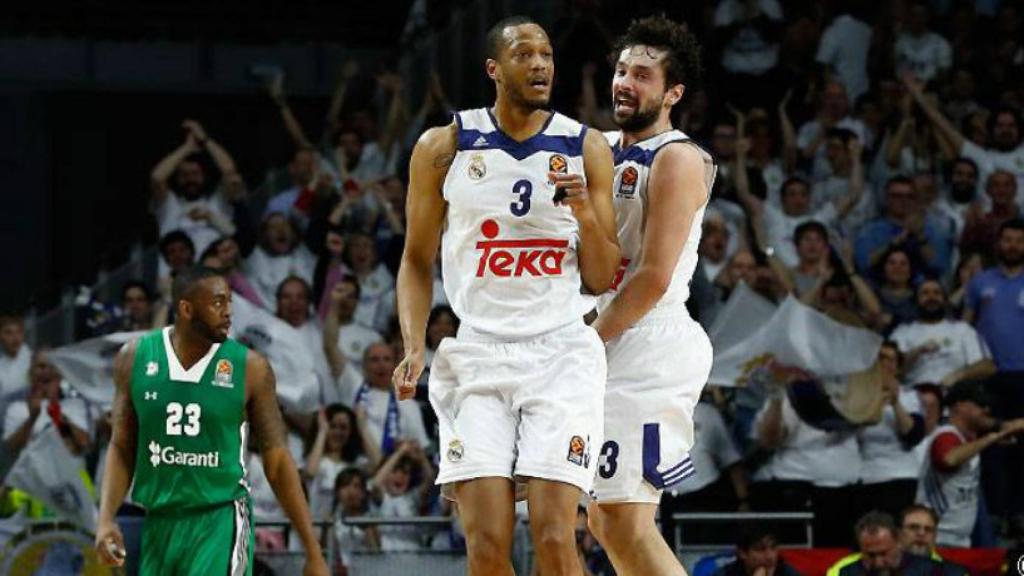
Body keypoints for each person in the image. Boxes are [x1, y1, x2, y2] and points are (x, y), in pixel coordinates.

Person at [393, 15, 619, 576]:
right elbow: (416, 259)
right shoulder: (443, 146)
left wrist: (586, 214)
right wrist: (414, 345)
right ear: (494, 69)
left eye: (546, 54)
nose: (540, 64)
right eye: (525, 54)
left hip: (561, 352)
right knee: (487, 544)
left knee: (554, 537)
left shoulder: (585, 147)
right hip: (478, 352)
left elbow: (602, 275)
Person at [583, 16, 715, 576]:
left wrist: (581, 343)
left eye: (642, 74)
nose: (624, 82)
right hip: (605, 331)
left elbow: (653, 275)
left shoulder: (680, 158)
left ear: (672, 92)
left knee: (625, 519)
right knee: (602, 518)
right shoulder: (596, 148)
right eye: (620, 70)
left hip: (650, 339)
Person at [94, 266, 328, 575]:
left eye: (229, 301)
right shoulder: (135, 357)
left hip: (221, 520)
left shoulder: (251, 368)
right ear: (186, 308)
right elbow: (122, 446)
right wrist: (106, 518)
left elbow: (278, 460)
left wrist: (312, 550)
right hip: (160, 522)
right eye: (217, 303)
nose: (228, 312)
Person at [916, 381, 1024, 547]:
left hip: (960, 538)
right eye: (980, 404)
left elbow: (1002, 425)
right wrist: (991, 438)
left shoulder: (968, 435)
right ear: (960, 405)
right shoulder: (946, 433)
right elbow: (948, 459)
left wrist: (1004, 429)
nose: (986, 410)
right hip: (937, 537)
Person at [890, 279, 995, 387]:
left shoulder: (963, 329)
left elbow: (988, 367)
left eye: (937, 293)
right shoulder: (902, 332)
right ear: (916, 300)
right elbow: (889, 371)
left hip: (955, 394)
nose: (931, 297)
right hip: (914, 396)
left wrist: (958, 375)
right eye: (925, 293)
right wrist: (917, 352)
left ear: (944, 300)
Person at [826, 511, 945, 575]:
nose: (878, 563)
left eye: (884, 554)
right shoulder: (843, 571)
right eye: (871, 555)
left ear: (899, 542)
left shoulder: (936, 570)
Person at [899, 504, 969, 574]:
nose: (921, 533)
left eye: (928, 529)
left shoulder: (956, 572)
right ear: (900, 533)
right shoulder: (889, 566)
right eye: (913, 527)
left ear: (935, 536)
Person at [712, 523, 802, 576]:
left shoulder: (787, 572)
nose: (770, 556)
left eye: (773, 548)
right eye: (761, 549)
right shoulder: (726, 574)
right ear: (743, 553)